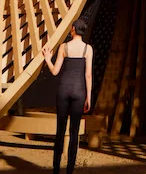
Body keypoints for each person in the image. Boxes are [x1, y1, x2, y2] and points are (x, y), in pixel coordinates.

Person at [42, 18, 93, 174]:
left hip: (63, 90)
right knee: (74, 132)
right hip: (79, 91)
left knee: (60, 130)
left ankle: (56, 169)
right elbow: (88, 75)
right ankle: (69, 170)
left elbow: (55, 71)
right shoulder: (88, 49)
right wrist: (88, 97)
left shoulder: (64, 47)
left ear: (72, 29)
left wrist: (47, 59)